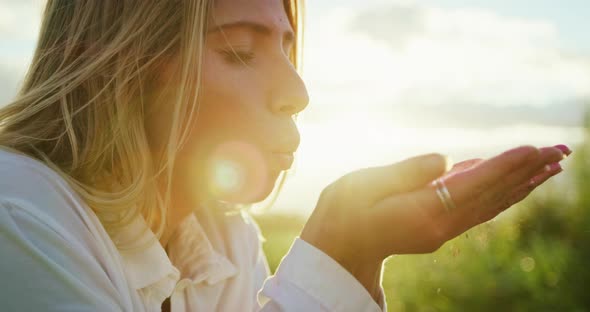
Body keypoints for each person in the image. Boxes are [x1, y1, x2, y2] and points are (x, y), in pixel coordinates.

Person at [0, 0, 571, 311]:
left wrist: (358, 259)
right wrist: (334, 255)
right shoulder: (19, 217)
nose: (297, 91)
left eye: (287, 46)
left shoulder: (224, 240)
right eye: (240, 51)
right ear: (123, 71)